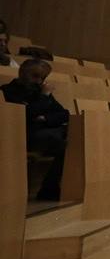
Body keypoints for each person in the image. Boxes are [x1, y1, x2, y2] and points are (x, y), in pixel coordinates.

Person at [2, 58, 70, 200]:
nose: (39, 81)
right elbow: (24, 115)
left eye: (42, 78)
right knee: (65, 142)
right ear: (22, 73)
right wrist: (44, 97)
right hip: (21, 135)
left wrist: (45, 118)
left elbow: (64, 114)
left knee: (73, 137)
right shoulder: (8, 92)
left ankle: (50, 188)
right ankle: (49, 189)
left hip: (44, 133)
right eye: (35, 76)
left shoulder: (38, 92)